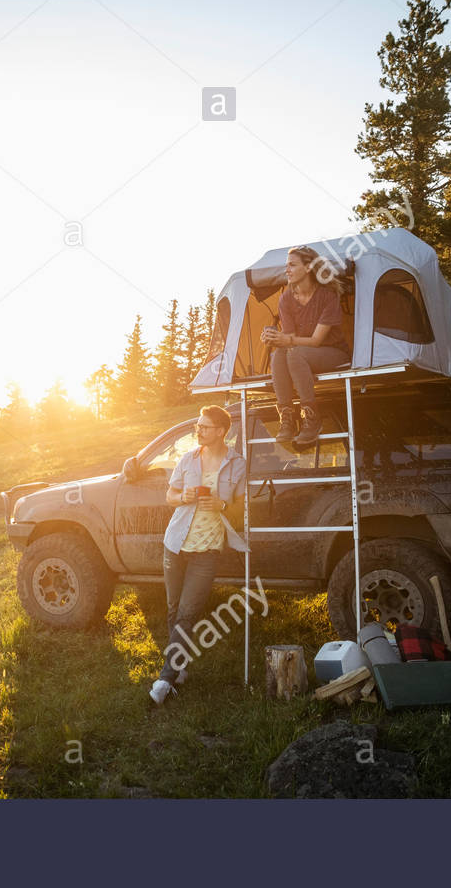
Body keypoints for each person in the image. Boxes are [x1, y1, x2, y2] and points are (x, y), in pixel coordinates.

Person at [149, 405, 249, 704]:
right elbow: (170, 496)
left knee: (188, 613)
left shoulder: (238, 465)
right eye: (199, 426)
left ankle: (166, 678)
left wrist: (220, 505)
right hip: (176, 543)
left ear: (221, 431)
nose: (199, 430)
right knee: (173, 608)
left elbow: (242, 510)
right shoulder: (188, 459)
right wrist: (184, 497)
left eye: (205, 426)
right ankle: (180, 668)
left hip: (207, 549)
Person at [259, 246, 350, 447]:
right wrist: (274, 337)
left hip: (334, 353)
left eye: (292, 265)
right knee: (278, 355)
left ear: (308, 267)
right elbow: (290, 338)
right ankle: (287, 418)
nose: (287, 270)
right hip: (301, 354)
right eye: (286, 266)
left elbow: (317, 340)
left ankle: (312, 418)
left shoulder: (328, 295)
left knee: (293, 354)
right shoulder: (286, 299)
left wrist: (286, 340)